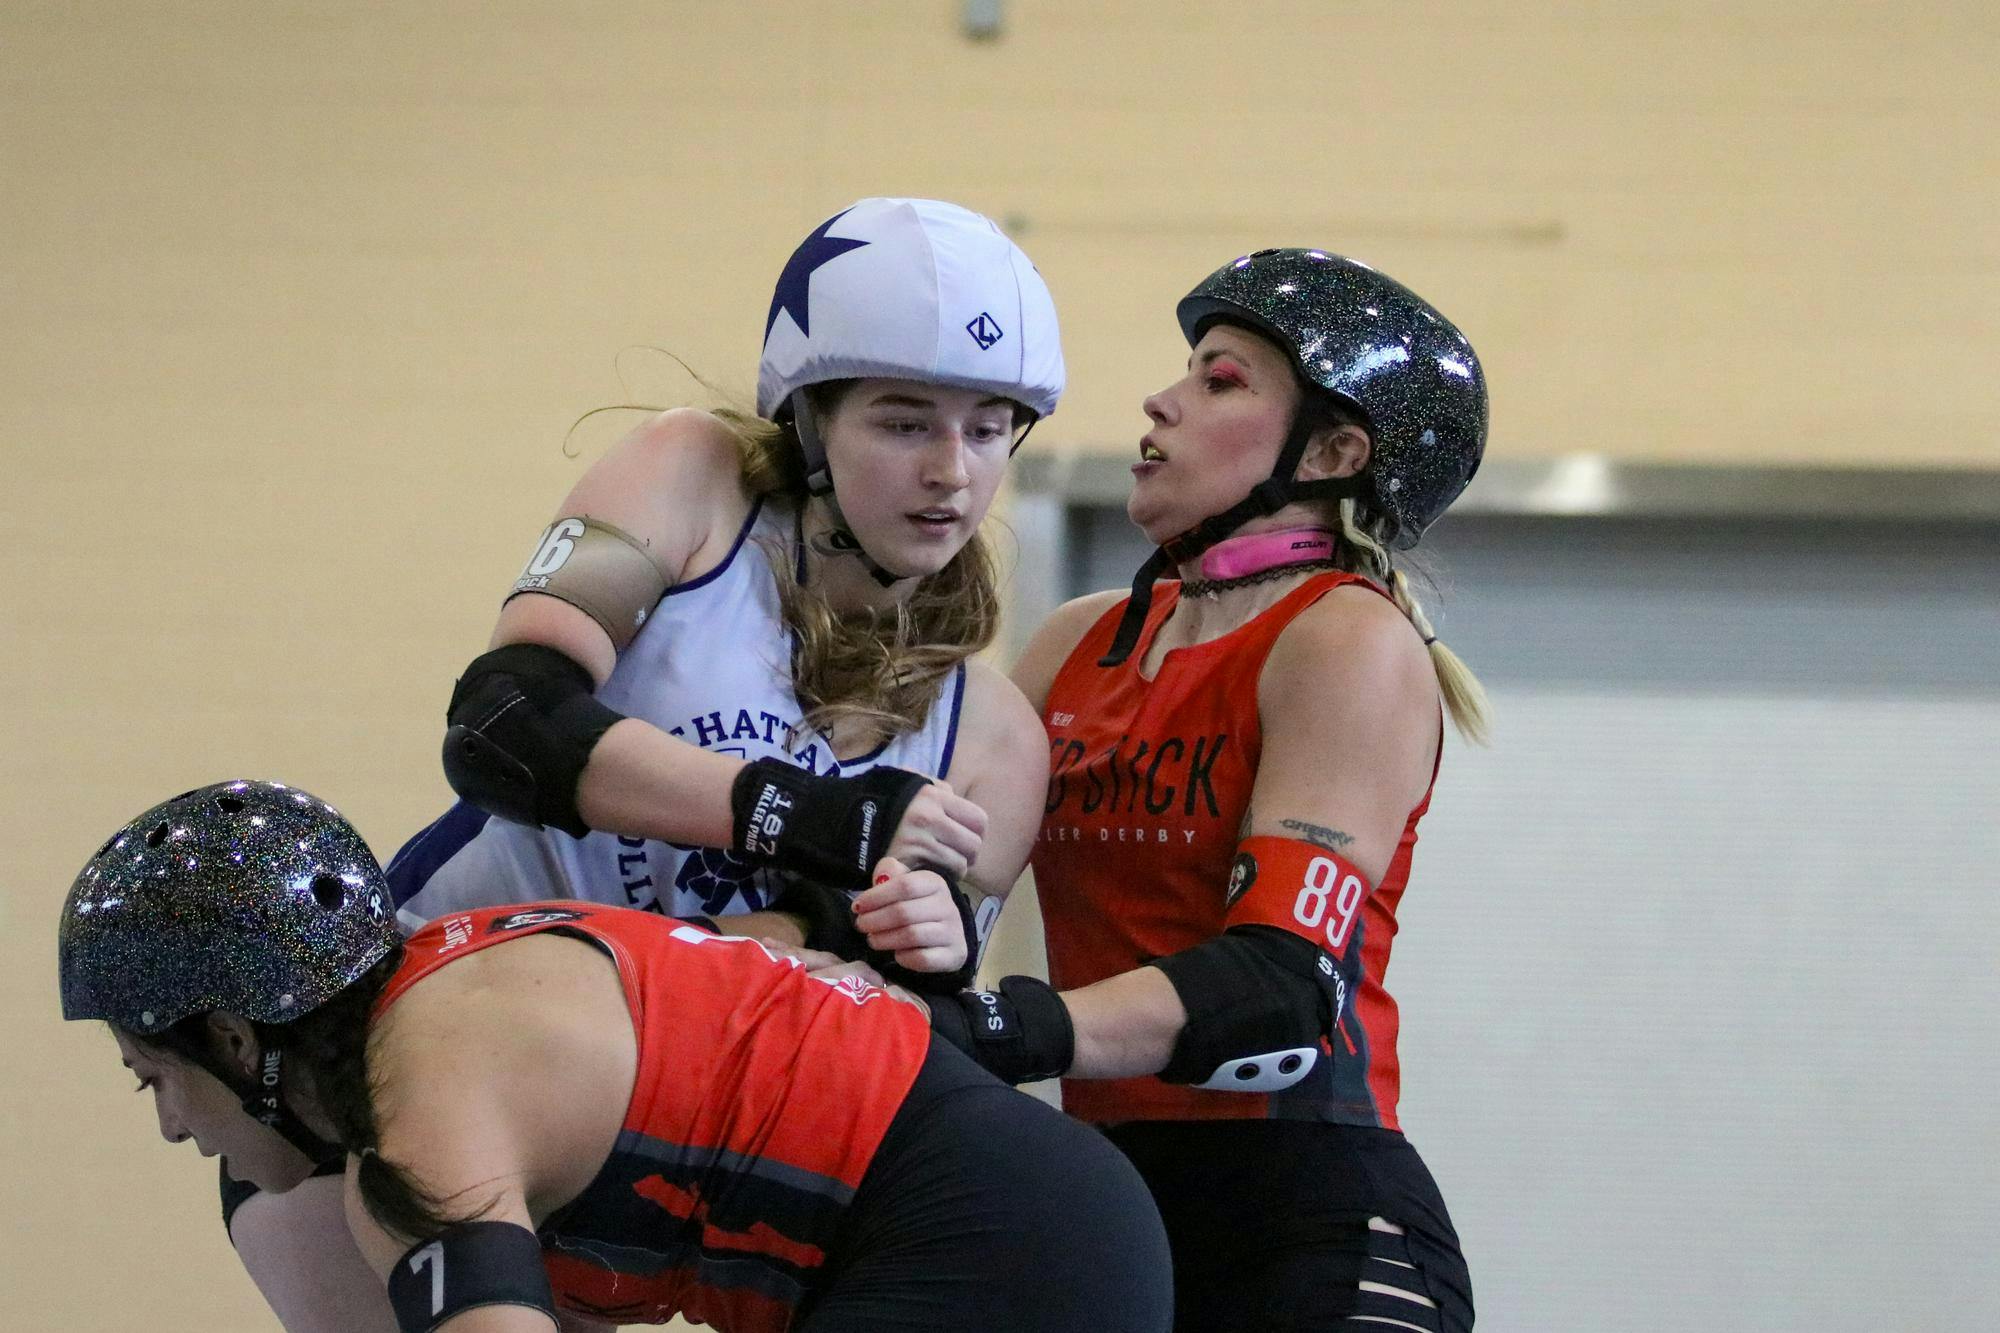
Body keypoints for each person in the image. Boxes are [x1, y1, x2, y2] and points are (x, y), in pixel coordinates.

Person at [227, 197, 1065, 1329]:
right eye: (904, 421)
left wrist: (903, 947)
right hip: (397, 1071)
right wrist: (797, 816)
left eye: (986, 428)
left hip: (631, 1146)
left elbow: (865, 1018)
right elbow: (504, 722)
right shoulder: (700, 483)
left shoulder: (994, 737)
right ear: (811, 423)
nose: (950, 474)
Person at [60, 781, 1172, 1332]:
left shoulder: (417, 1114)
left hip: (984, 1238)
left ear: (233, 1034)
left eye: (152, 1076)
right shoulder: (461, 975)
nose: (168, 1124)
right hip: (1022, 1214)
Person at [922, 249, 1486, 1329]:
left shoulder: (1343, 638)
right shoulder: (1075, 641)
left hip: (1309, 1212)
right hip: (1105, 1204)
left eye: (1219, 380)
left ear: (1330, 450)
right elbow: (938, 875)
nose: (1160, 400)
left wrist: (998, 1027)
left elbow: (1275, 985)